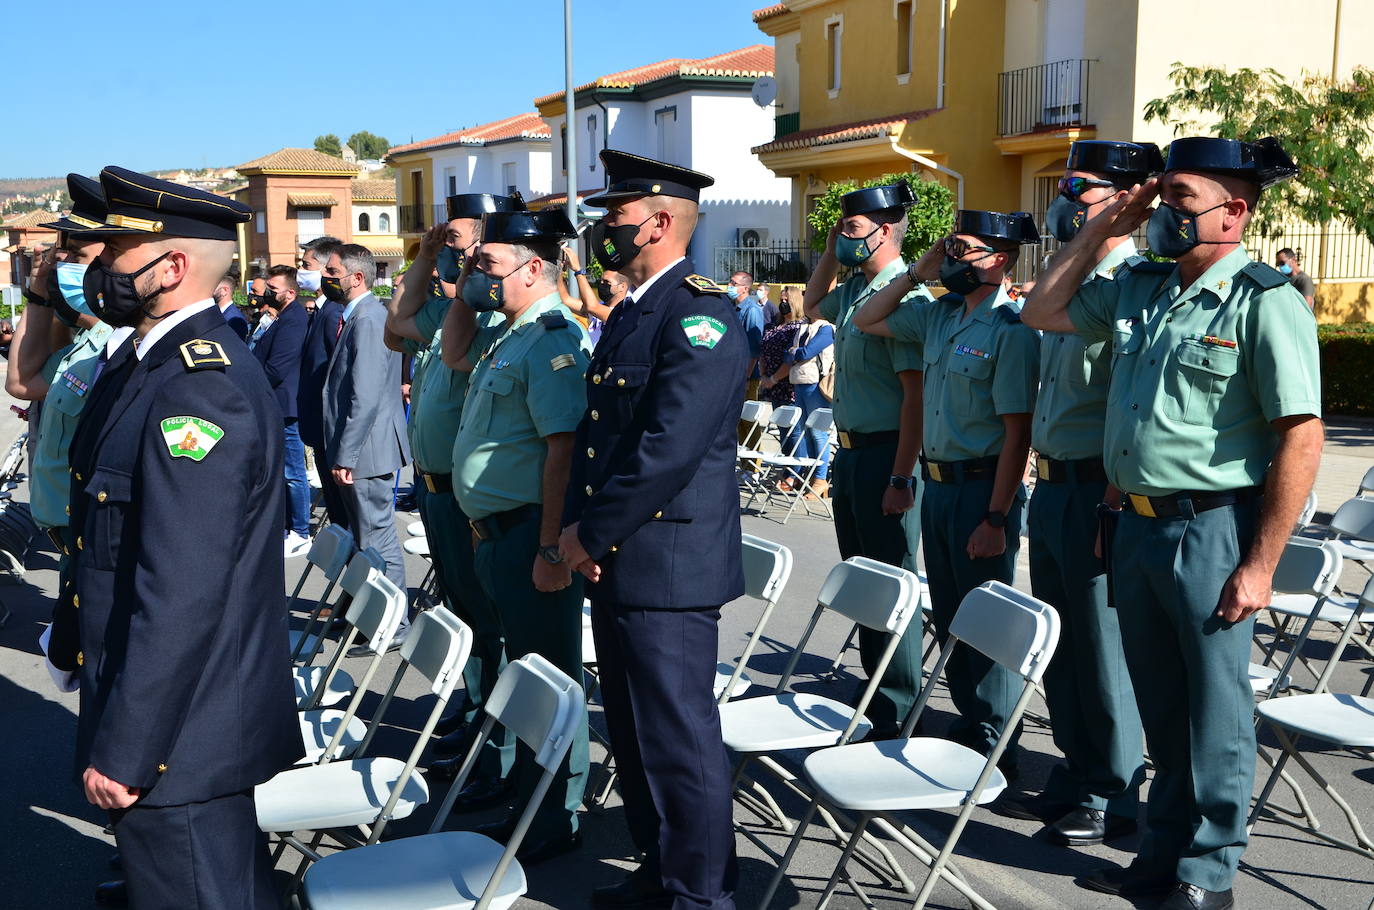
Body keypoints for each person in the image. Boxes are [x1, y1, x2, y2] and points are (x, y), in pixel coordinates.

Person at [1021, 136, 1322, 910]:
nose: (1164, 213)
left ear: (1236, 211)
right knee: (1160, 701)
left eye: (1179, 200)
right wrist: (1106, 224)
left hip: (1213, 528)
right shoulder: (1140, 289)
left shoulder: (1263, 298)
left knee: (1214, 713)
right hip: (1135, 524)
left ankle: (1209, 873)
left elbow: (1300, 435)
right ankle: (1161, 854)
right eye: (1161, 199)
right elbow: (1042, 306)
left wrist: (1261, 563)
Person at [47, 165, 303, 910]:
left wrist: (128, 749)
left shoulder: (200, 384)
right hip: (172, 717)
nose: (99, 269)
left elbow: (181, 586)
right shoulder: (145, 363)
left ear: (173, 265)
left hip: (181, 736)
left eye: (116, 252)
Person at [559, 149, 747, 910]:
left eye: (616, 219)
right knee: (635, 738)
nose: (604, 232)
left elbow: (665, 451)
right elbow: (599, 436)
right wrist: (583, 532)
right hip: (620, 556)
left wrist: (588, 535)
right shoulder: (636, 310)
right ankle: (661, 874)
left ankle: (702, 896)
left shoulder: (697, 313)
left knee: (678, 742)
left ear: (661, 222)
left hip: (667, 563)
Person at [992, 141, 1162, 845]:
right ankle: (1079, 767)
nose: (1066, 202)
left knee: (1101, 648)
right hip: (1055, 484)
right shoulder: (1075, 287)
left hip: (1099, 487)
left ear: (1125, 201)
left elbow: (1130, 408)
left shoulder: (1132, 286)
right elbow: (1034, 310)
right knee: (1062, 646)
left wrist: (1114, 506)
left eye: (1081, 190)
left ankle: (1119, 793)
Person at [855, 210, 1040, 776]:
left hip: (981, 490)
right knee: (957, 617)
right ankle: (968, 723)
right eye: (950, 249)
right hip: (936, 489)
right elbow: (867, 318)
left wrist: (996, 515)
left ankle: (992, 739)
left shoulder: (1011, 329)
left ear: (1001, 260)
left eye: (965, 250)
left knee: (986, 623)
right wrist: (917, 271)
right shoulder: (940, 316)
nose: (953, 259)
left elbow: (1017, 436)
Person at [441, 208, 590, 865]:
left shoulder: (554, 337)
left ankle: (555, 812)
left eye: (488, 266)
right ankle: (522, 789)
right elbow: (450, 350)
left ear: (534, 268)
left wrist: (554, 547)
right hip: (496, 533)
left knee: (548, 678)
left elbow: (564, 452)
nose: (478, 276)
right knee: (521, 673)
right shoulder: (510, 332)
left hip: (533, 535)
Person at [385, 193, 525, 802]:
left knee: (492, 622)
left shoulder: (491, 323)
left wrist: (468, 270)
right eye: (451, 246)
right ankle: (476, 715)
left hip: (471, 500)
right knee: (469, 617)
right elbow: (396, 322)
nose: (454, 256)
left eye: (467, 246)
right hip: (434, 491)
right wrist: (424, 252)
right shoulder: (443, 318)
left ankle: (498, 738)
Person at [802, 182, 925, 741]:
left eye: (852, 229)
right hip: (850, 453)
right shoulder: (855, 290)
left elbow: (915, 399)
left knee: (890, 583)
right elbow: (809, 302)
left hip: (885, 454)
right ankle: (877, 685)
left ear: (886, 229)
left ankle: (896, 700)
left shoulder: (905, 298)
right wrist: (832, 246)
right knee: (863, 578)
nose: (844, 237)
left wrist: (902, 476)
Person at [321, 243, 411, 649]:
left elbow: (366, 395)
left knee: (378, 540)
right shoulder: (360, 316)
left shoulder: (370, 320)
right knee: (368, 538)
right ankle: (377, 619)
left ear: (357, 277)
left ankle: (393, 626)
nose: (326, 277)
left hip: (367, 452)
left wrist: (346, 454)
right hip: (363, 450)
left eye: (333, 271)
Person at [253, 264, 312, 556]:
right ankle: (290, 526)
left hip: (285, 404)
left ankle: (301, 531)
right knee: (283, 470)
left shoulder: (293, 319)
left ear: (290, 293)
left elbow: (278, 365)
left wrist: (250, 383)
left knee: (293, 471)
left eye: (273, 289)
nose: (267, 293)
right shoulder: (282, 316)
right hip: (277, 403)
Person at [296, 235, 347, 528]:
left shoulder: (333, 312)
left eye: (307, 264)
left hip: (329, 427)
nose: (301, 270)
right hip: (318, 425)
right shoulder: (321, 309)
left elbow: (337, 371)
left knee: (343, 512)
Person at [775, 307, 834, 499]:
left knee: (818, 433)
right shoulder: (804, 327)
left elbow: (806, 353)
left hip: (816, 384)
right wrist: (795, 353)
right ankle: (809, 477)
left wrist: (795, 353)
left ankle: (820, 479)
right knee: (804, 433)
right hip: (799, 382)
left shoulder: (826, 328)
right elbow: (787, 355)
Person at [213, 261, 250, 341]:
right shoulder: (221, 313)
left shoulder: (234, 318)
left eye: (214, 287)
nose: (210, 291)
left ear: (224, 291)